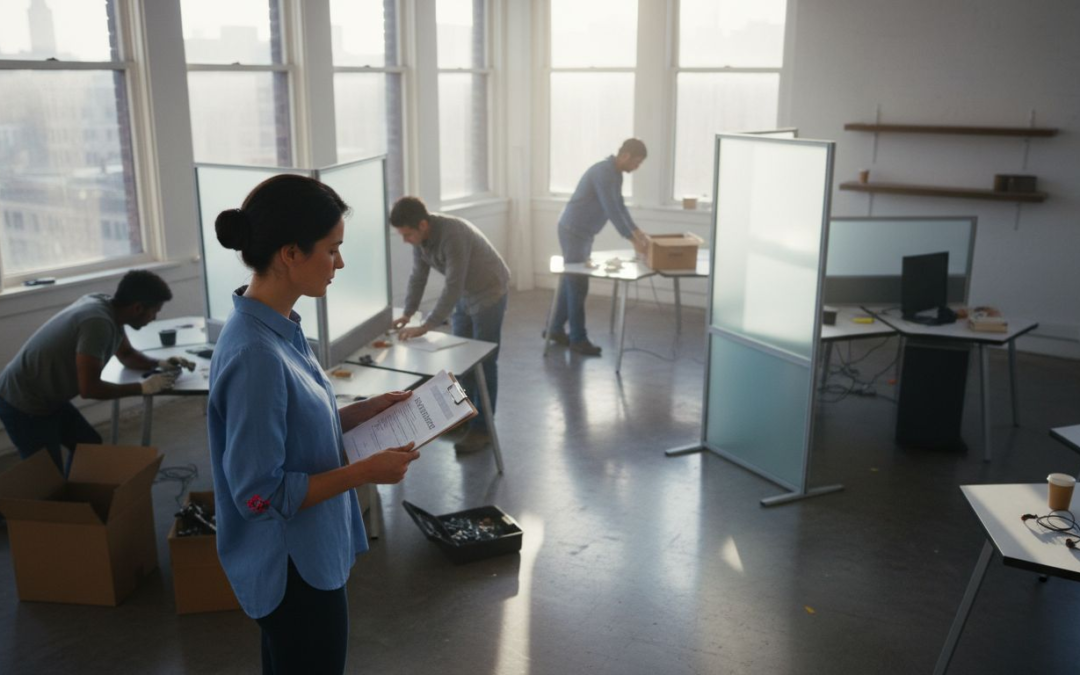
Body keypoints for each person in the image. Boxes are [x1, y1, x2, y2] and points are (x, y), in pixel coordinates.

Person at [209, 174, 421, 674]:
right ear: (290, 253)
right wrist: (366, 471)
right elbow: (260, 494)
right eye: (332, 250)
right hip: (291, 572)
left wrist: (362, 411)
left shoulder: (279, 325)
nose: (340, 264)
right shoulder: (255, 354)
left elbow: (293, 431)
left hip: (309, 555)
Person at [0, 270, 186, 473]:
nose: (154, 318)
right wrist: (142, 388)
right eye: (154, 311)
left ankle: (77, 499)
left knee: (88, 446)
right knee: (47, 476)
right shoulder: (97, 324)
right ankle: (60, 503)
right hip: (23, 402)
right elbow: (90, 389)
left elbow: (127, 355)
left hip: (48, 397)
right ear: (138, 308)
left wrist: (160, 363)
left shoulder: (109, 308)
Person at [389, 196, 510, 455]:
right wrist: (408, 313)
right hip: (465, 294)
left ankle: (482, 429)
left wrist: (428, 325)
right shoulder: (420, 240)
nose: (405, 240)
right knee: (460, 360)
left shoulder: (453, 235)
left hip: (489, 291)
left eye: (407, 234)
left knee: (484, 361)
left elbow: (453, 284)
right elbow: (418, 276)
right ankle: (462, 417)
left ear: (422, 225)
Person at [547, 138, 650, 356]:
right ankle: (578, 339)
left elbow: (620, 205)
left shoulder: (615, 174)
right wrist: (632, 240)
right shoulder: (603, 172)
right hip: (573, 230)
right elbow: (611, 209)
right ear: (625, 156)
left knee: (570, 281)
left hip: (583, 232)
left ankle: (554, 329)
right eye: (637, 162)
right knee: (577, 285)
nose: (637, 167)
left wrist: (638, 232)